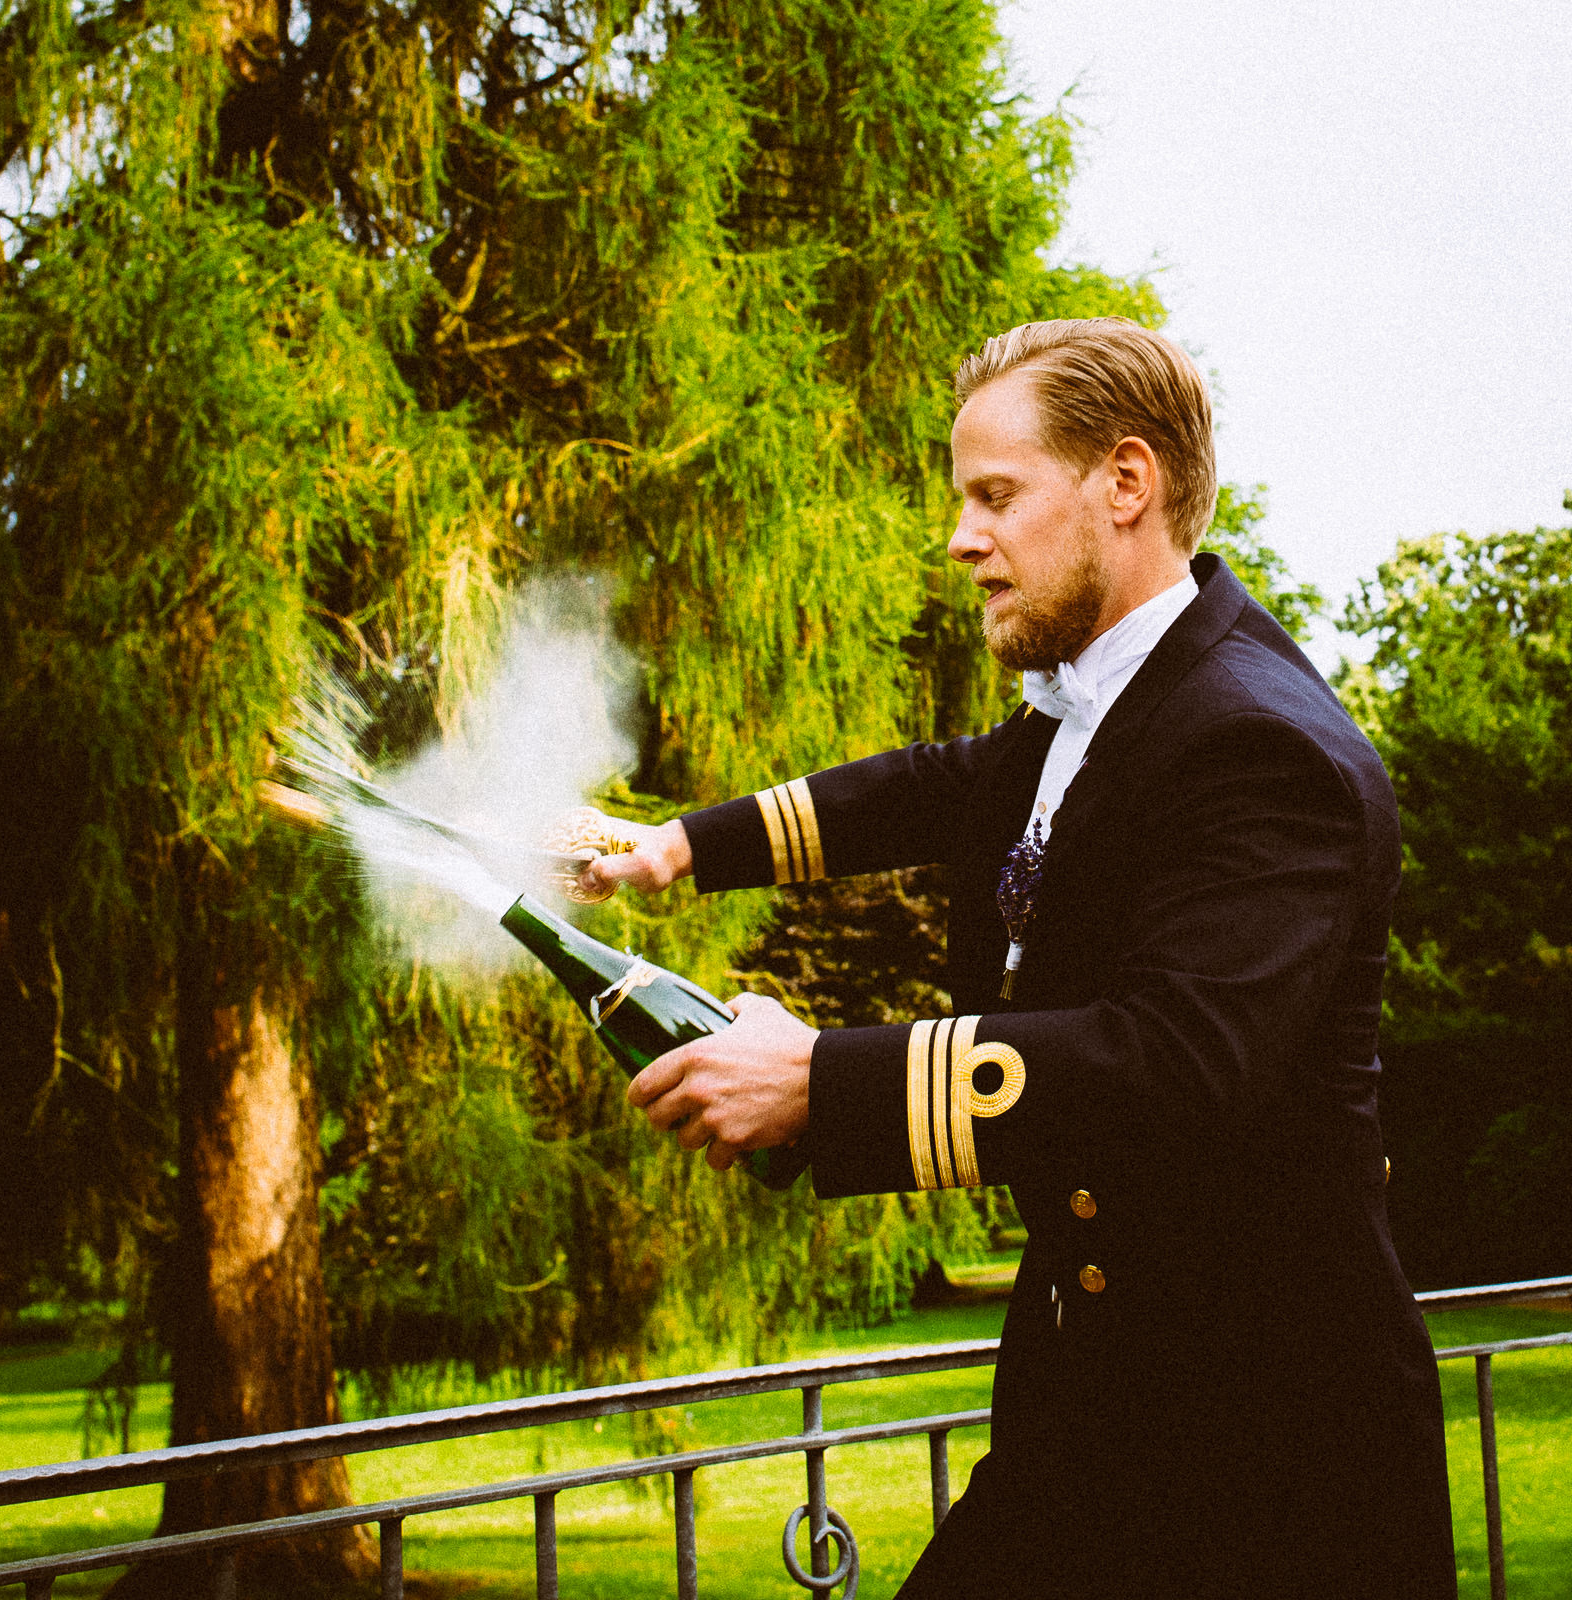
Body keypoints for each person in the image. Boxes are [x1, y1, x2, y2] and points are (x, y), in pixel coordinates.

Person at [578, 318, 1457, 1598]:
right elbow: (929, 790)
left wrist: (820, 1081)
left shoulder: (1262, 748)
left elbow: (1171, 1060)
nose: (960, 538)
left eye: (995, 495)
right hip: (1090, 1402)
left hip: (1271, 1443)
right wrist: (675, 849)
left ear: (1124, 483)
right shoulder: (1106, 709)